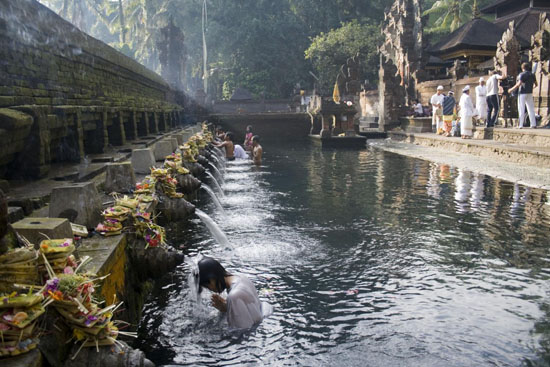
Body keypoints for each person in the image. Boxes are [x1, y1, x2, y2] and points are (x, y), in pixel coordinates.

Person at [196, 257, 265, 329]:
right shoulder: (241, 277)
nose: (211, 289)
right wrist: (227, 308)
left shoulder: (233, 296)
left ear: (212, 279)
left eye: (207, 286)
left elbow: (240, 331)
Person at [509, 62, 538, 128]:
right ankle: (533, 124)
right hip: (530, 93)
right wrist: (531, 87)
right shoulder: (532, 74)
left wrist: (511, 89)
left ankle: (520, 124)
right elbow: (536, 84)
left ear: (522, 68)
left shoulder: (522, 74)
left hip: (522, 93)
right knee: (530, 108)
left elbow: (518, 84)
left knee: (521, 108)